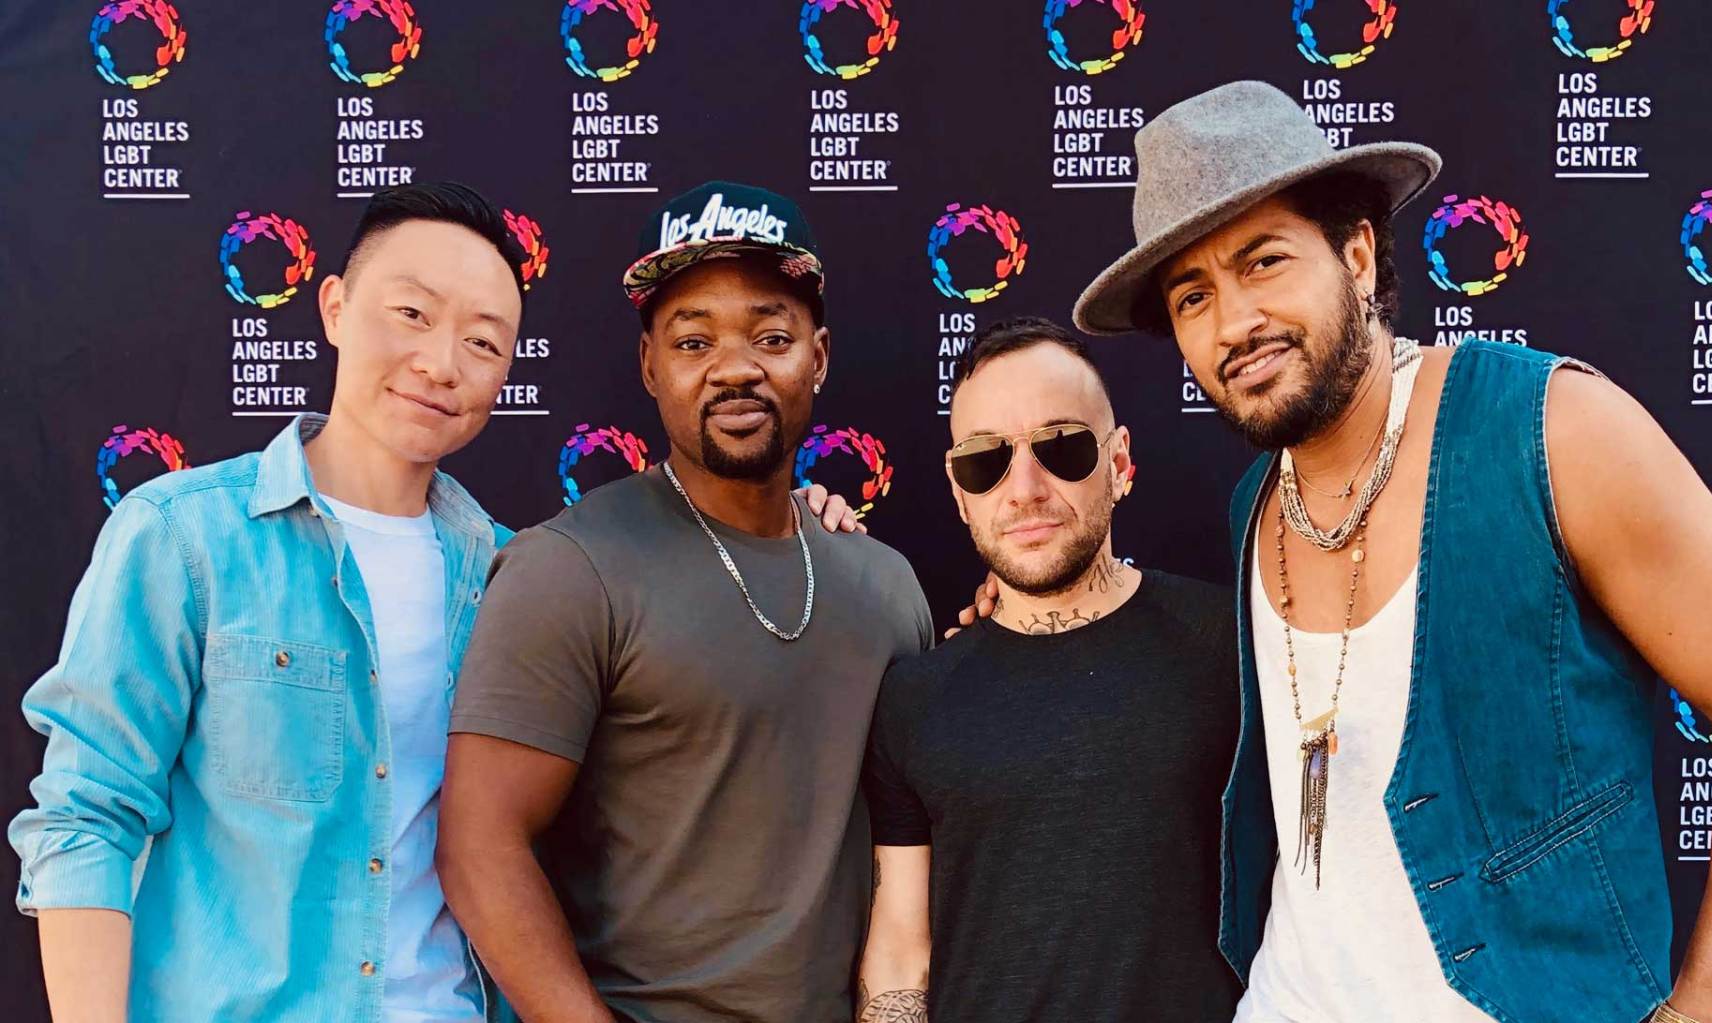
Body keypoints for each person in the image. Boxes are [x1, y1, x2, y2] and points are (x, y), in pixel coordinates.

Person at [9, 181, 862, 1023]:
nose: (441, 364)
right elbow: (86, 819)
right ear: (336, 307)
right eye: (412, 315)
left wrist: (797, 522)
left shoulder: (510, 568)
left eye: (484, 342)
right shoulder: (183, 537)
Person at [1063, 80, 1712, 1023]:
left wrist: (1703, 1008)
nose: (1233, 322)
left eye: (1265, 262)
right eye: (1194, 295)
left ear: (1359, 254)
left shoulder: (1551, 429)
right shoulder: (1256, 503)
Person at [436, 180, 934, 1023]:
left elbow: (915, 841)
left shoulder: (885, 584)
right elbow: (479, 846)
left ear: (817, 355)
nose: (735, 367)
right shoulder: (572, 567)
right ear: (650, 366)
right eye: (693, 339)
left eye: (770, 334)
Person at [856, 316, 1243, 1023]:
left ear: (1121, 462)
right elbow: (900, 949)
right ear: (957, 489)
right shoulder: (913, 699)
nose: (1024, 486)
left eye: (1061, 446)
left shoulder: (1229, 644)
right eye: (985, 460)